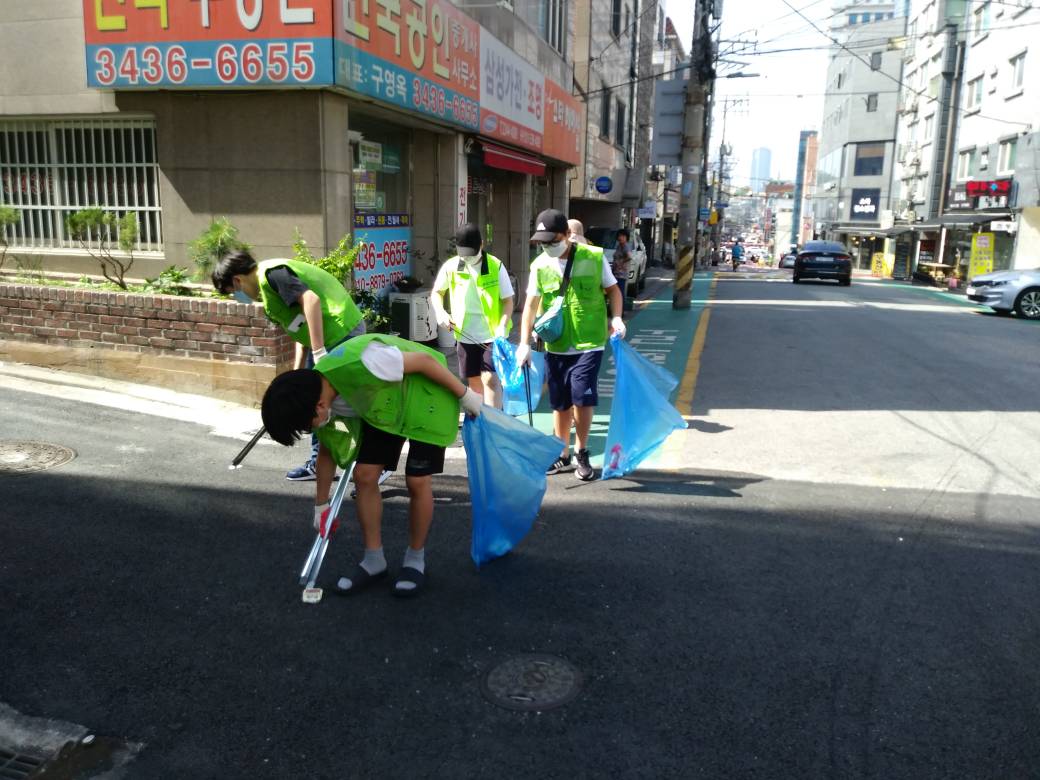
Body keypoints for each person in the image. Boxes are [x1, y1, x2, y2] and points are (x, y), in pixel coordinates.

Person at [261, 333, 483, 597]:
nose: (310, 431)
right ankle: (374, 561)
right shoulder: (318, 393)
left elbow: (424, 362)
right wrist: (321, 505)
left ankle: (414, 560)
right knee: (364, 475)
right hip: (385, 407)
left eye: (306, 426)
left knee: (417, 480)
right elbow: (327, 451)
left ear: (319, 406)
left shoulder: (367, 362)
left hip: (427, 398)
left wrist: (465, 395)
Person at [212, 250, 366, 481]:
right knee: (312, 403)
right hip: (324, 339)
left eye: (233, 292)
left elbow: (311, 301)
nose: (237, 297)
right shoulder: (267, 295)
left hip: (341, 331)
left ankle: (371, 461)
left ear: (237, 280)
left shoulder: (273, 275)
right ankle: (322, 461)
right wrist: (297, 371)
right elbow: (299, 329)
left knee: (341, 403)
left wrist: (318, 351)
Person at [516, 208, 625, 482]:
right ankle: (561, 452)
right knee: (560, 402)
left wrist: (618, 318)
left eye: (552, 241)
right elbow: (530, 305)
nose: (548, 247)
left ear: (567, 235)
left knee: (582, 396)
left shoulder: (593, 257)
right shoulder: (540, 265)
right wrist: (523, 343)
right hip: (556, 344)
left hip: (589, 341)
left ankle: (582, 451)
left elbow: (613, 290)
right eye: (543, 242)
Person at [430, 223, 514, 408]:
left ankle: (493, 422)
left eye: (471, 253)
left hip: (493, 335)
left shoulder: (495, 266)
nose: (467, 258)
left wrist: (502, 325)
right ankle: (479, 419)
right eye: (464, 254)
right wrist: (441, 313)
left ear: (481, 245)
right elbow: (437, 293)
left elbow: (508, 301)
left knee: (490, 379)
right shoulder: (451, 266)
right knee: (474, 381)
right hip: (465, 334)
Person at [612, 228, 632, 302]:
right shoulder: (619, 246)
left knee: (619, 292)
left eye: (623, 236)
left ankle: (621, 311)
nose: (620, 238)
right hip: (616, 273)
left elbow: (629, 256)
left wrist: (621, 263)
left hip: (621, 274)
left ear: (626, 238)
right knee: (617, 292)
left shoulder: (625, 246)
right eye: (619, 236)